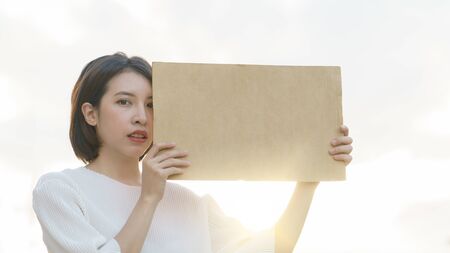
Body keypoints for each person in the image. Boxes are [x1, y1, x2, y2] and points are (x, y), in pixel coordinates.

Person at [32, 52, 353, 253]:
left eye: (152, 105)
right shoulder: (60, 190)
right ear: (90, 113)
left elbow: (274, 247)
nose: (142, 116)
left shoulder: (190, 204)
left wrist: (310, 176)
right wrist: (148, 198)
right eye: (124, 102)